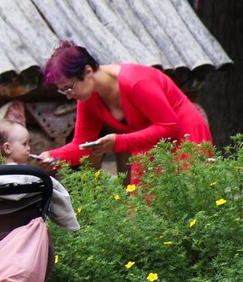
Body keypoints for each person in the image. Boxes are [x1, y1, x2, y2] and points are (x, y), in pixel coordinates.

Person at [37, 41, 212, 179]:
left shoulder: (135, 82)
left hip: (185, 136)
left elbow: (170, 128)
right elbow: (81, 146)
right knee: (146, 216)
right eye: (63, 90)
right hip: (149, 144)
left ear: (88, 71)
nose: (68, 95)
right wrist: (53, 156)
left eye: (70, 87)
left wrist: (118, 142)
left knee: (189, 203)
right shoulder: (87, 98)